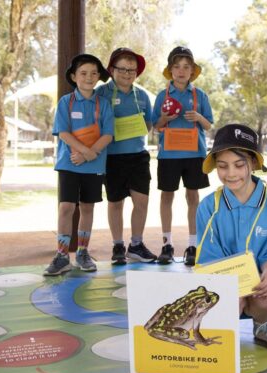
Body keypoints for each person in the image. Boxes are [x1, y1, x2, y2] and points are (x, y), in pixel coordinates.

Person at [195, 124, 267, 351]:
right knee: (226, 302)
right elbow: (210, 260)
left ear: (252, 162)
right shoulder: (207, 207)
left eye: (239, 165)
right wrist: (231, 290)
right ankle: (221, 327)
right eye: (222, 166)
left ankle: (263, 324)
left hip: (260, 283)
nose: (231, 173)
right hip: (225, 280)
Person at [44, 54, 114, 276]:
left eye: (93, 73)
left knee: (87, 207)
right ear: (74, 77)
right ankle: (62, 255)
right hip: (70, 163)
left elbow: (108, 134)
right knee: (66, 207)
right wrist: (84, 152)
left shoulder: (103, 104)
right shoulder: (66, 102)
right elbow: (63, 132)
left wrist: (91, 154)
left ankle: (83, 252)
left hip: (93, 164)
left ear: (99, 77)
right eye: (83, 73)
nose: (89, 77)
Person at [151, 46, 213, 266]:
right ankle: (166, 245)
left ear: (192, 71)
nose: (181, 71)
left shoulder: (200, 95)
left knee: (193, 197)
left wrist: (198, 117)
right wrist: (164, 118)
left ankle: (193, 245)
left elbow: (209, 124)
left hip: (194, 154)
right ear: (170, 70)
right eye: (177, 66)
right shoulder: (162, 96)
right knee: (166, 197)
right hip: (168, 155)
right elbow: (156, 126)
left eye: (186, 67)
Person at [96, 48, 156, 265]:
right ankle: (118, 245)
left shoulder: (142, 95)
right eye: (122, 69)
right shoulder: (101, 93)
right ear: (112, 69)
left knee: (142, 201)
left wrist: (135, 127)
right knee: (115, 202)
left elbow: (148, 124)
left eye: (131, 70)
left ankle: (136, 245)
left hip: (138, 156)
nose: (127, 73)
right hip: (111, 157)